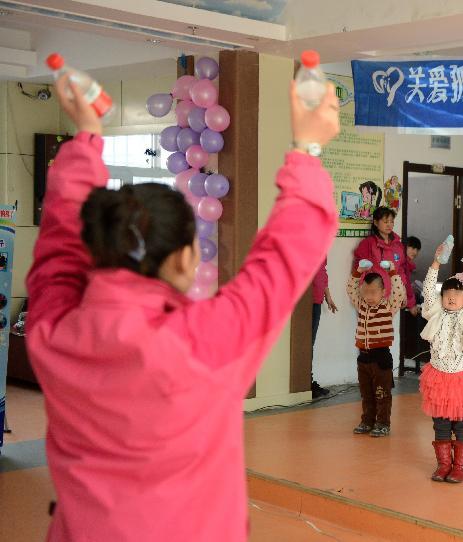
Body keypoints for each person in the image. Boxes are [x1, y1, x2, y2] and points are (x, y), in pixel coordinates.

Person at [25, 74, 339, 540]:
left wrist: (86, 141)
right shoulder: (206, 340)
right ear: (186, 257)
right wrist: (308, 147)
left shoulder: (54, 330)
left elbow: (57, 250)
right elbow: (286, 255)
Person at [420, 243, 463, 483]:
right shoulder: (435, 312)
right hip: (438, 377)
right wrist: (436, 262)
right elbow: (428, 290)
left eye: (458, 293)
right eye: (448, 293)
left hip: (462, 378)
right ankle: (443, 465)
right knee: (440, 423)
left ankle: (460, 466)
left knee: (461, 423)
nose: (451, 297)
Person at [346, 262, 406, 438]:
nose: (369, 296)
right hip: (363, 358)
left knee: (381, 393)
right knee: (366, 394)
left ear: (383, 292)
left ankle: (383, 423)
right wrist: (358, 272)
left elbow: (399, 292)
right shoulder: (362, 305)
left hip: (381, 358)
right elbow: (351, 289)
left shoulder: (388, 307)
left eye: (373, 292)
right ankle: (367, 421)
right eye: (365, 292)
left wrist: (393, 271)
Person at [353, 207, 416, 313]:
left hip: (393, 296)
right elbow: (360, 269)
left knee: (386, 327)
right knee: (372, 328)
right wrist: (364, 293)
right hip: (373, 296)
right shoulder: (368, 243)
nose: (389, 225)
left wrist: (403, 293)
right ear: (376, 223)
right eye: (385, 221)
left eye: (392, 221)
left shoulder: (398, 245)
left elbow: (401, 271)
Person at [311, 259, 338, 398]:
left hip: (316, 300)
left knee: (310, 344)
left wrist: (328, 296)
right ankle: (304, 384)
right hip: (304, 300)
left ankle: (308, 382)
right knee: (305, 345)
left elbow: (322, 272)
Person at [403, 236, 422, 315]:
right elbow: (406, 284)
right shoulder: (403, 264)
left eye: (417, 250)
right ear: (405, 247)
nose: (415, 252)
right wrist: (411, 304)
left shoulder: (408, 264)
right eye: (413, 248)